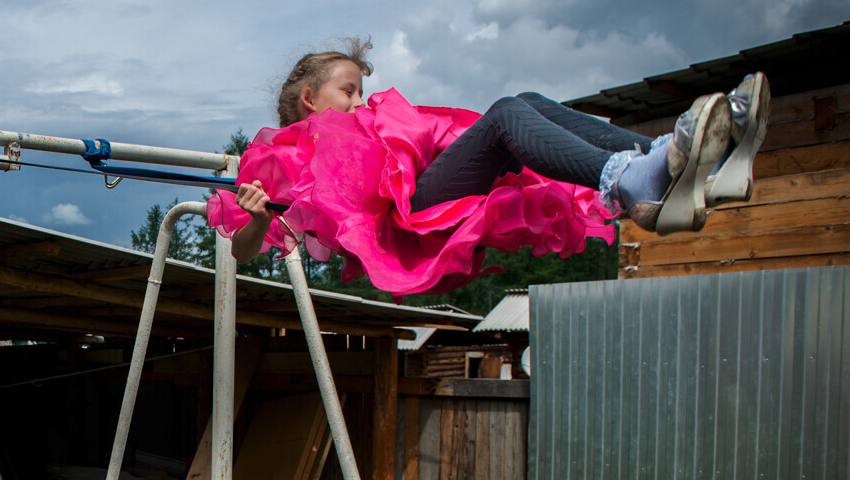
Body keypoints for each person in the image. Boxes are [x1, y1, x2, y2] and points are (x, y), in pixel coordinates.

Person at [210, 38, 768, 297]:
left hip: (422, 194)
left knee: (524, 100)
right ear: (311, 99)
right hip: (404, 220)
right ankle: (636, 179)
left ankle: (672, 158)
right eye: (348, 90)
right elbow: (243, 246)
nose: (361, 100)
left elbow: (420, 146)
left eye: (363, 89)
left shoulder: (365, 127)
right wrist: (257, 217)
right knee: (504, 115)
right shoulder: (283, 156)